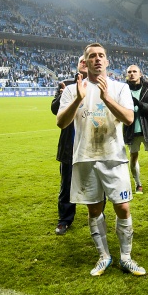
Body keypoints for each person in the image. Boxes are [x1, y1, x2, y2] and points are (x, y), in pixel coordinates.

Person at [57, 43, 145, 276]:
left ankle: (126, 257)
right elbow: (61, 122)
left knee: (123, 208)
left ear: (107, 61)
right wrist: (78, 98)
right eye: (92, 56)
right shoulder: (71, 90)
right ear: (85, 62)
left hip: (113, 158)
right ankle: (104, 256)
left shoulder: (119, 88)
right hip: (85, 158)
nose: (97, 59)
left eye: (101, 56)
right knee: (94, 210)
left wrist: (106, 98)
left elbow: (128, 118)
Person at [51, 55, 86, 235]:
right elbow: (55, 110)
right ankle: (65, 219)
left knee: (95, 182)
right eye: (82, 61)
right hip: (70, 144)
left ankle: (97, 216)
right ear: (78, 64)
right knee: (67, 184)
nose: (85, 63)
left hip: (92, 145)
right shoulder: (66, 84)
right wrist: (63, 93)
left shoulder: (102, 86)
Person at [123, 64, 148, 194]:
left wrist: (139, 104)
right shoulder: (123, 89)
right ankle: (138, 184)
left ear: (140, 74)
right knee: (133, 156)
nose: (132, 74)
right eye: (129, 72)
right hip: (131, 130)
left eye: (134, 71)